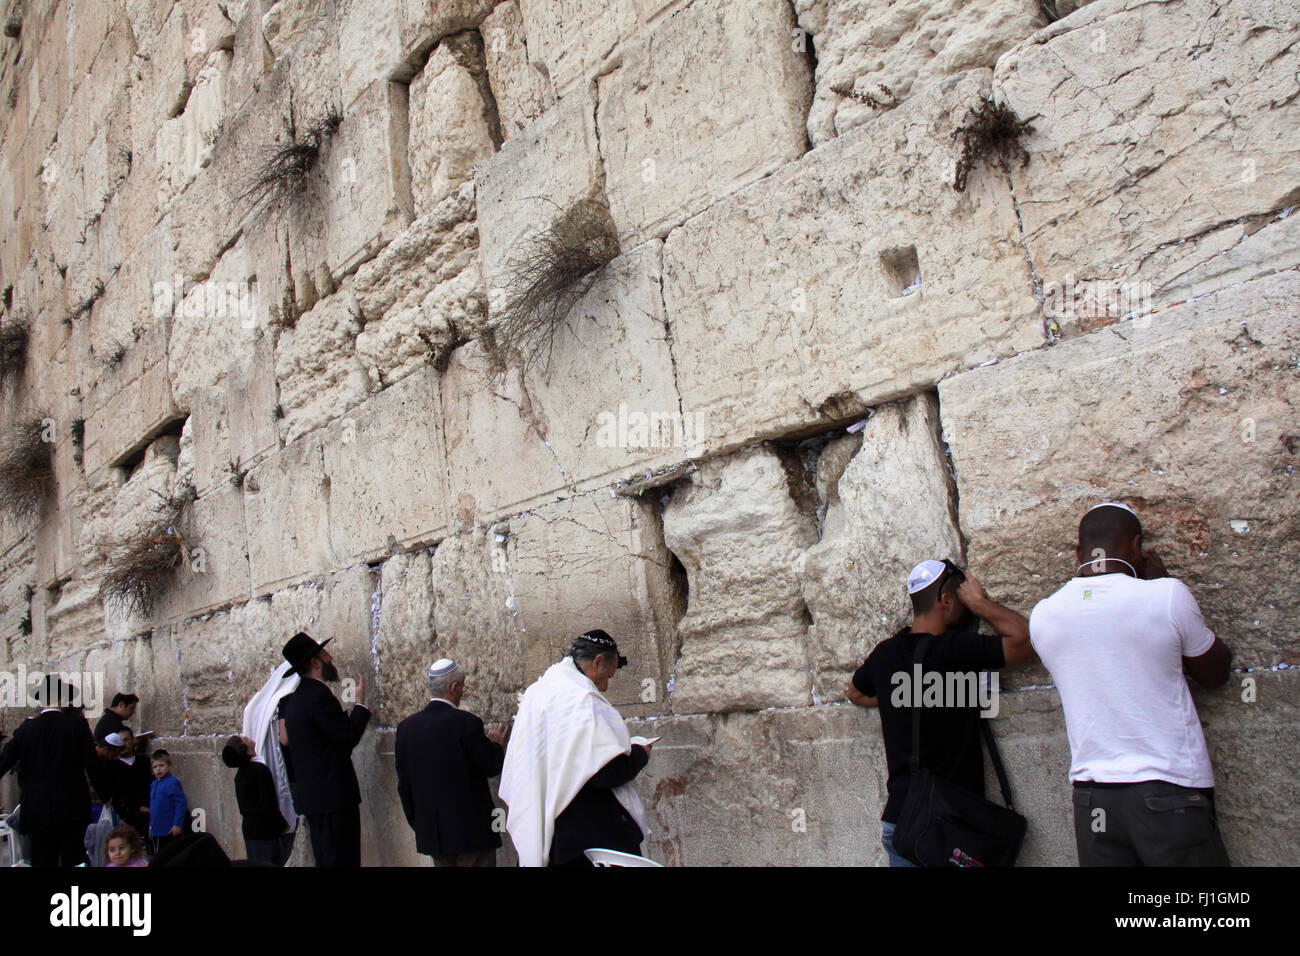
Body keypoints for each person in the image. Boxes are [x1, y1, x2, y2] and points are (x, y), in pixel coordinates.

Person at [1029, 501, 1233, 866]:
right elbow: (1215, 672)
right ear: (1136, 547)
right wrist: (1161, 583)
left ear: (1078, 552)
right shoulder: (1166, 595)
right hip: (1168, 793)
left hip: (1092, 801)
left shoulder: (1043, 615)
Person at [847, 559, 1035, 866]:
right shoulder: (956, 650)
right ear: (946, 601)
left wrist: (903, 694)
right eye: (960, 598)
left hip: (902, 821)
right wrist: (981, 603)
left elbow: (855, 693)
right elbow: (1024, 640)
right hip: (949, 826)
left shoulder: (886, 653)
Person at [500, 630, 652, 867]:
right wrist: (640, 753)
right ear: (598, 661)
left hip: (554, 831)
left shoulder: (539, 692)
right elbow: (605, 772)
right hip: (588, 835)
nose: (605, 687)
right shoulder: (581, 699)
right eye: (607, 677)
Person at [395, 659, 508, 867]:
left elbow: (404, 787)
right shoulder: (466, 723)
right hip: (471, 836)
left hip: (435, 836)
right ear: (454, 688)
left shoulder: (406, 729)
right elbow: (491, 766)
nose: (462, 691)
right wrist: (496, 746)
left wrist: (422, 825)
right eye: (462, 686)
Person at [279, 632, 370, 867]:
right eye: (325, 654)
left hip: (317, 800)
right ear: (315, 662)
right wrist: (360, 704)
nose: (331, 658)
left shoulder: (297, 699)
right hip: (334, 799)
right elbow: (346, 738)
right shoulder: (318, 696)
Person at [0, 676, 106, 866]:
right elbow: (92, 765)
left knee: (42, 859)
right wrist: (107, 796)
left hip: (36, 810)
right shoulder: (76, 725)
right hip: (71, 808)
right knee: (73, 859)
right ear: (61, 699)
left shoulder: (26, 728)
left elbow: (5, 761)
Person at [222, 735, 291, 865]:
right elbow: (269, 804)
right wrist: (282, 825)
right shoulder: (259, 771)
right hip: (265, 831)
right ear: (248, 751)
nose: (248, 737)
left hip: (250, 830)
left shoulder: (240, 775)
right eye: (245, 740)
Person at [148, 749, 188, 855]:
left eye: (161, 765)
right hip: (157, 829)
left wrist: (177, 824)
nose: (158, 769)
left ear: (169, 766)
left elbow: (181, 804)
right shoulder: (153, 784)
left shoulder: (172, 783)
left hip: (170, 829)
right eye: (155, 767)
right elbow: (153, 808)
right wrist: (151, 826)